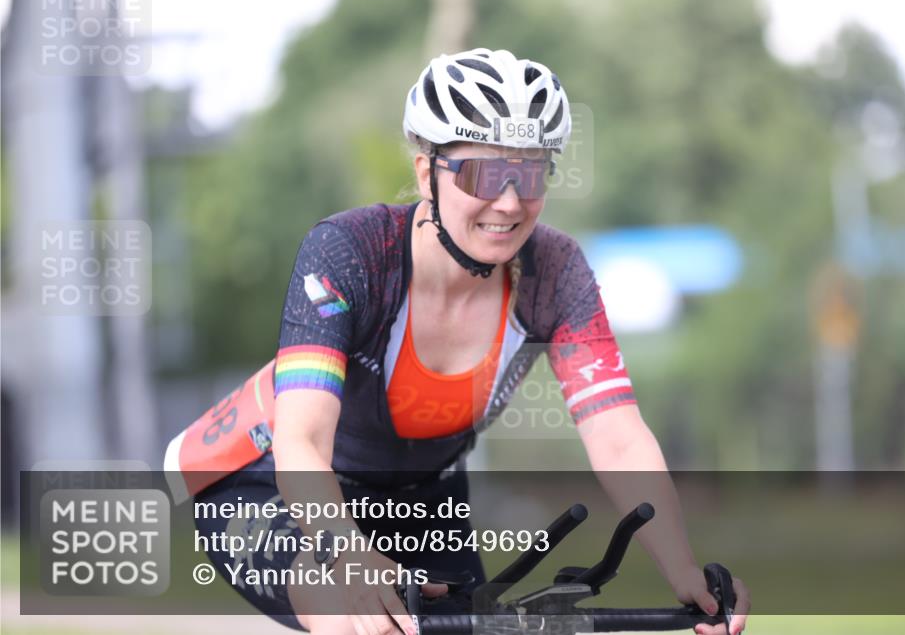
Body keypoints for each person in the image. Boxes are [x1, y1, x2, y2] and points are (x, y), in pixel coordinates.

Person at [168, 48, 749, 635]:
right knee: (355, 619)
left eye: (530, 173)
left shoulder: (557, 271)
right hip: (269, 476)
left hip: (422, 493)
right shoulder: (350, 253)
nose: (510, 202)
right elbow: (304, 440)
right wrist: (348, 556)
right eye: (485, 174)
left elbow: (618, 436)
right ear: (427, 172)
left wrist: (685, 574)